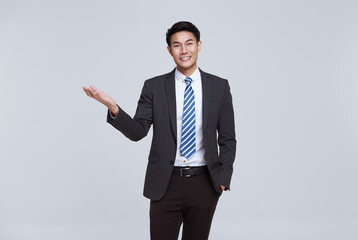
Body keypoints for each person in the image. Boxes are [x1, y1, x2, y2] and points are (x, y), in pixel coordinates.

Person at [83, 21, 236, 240]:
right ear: (169, 50)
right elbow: (137, 131)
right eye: (177, 45)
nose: (184, 51)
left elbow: (228, 139)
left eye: (189, 43)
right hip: (165, 183)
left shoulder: (219, 87)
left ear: (199, 45)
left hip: (204, 183)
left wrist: (222, 179)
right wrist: (114, 108)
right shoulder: (154, 87)